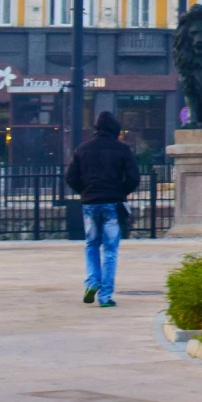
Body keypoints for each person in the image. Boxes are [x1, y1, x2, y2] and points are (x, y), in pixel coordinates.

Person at [63, 112, 141, 307]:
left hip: (90, 203)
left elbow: (70, 176)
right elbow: (133, 178)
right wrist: (121, 191)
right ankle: (105, 296)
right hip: (113, 204)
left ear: (95, 128)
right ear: (115, 129)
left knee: (91, 245)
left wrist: (85, 191)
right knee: (110, 250)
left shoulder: (82, 149)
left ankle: (92, 281)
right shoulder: (123, 150)